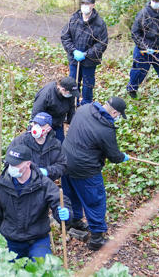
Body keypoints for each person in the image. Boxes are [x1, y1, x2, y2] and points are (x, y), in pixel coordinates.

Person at [61, 96, 130, 251]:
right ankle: (97, 239)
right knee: (95, 201)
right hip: (85, 169)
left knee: (71, 193)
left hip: (64, 161)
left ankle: (74, 221)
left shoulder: (85, 108)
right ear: (114, 113)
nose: (118, 118)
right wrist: (122, 157)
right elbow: (114, 156)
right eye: (118, 115)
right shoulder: (106, 129)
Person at [0, 145, 71, 260]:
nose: (12, 168)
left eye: (16, 165)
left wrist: (64, 211)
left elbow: (59, 200)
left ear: (28, 164)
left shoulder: (43, 183)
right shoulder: (1, 185)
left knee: (42, 268)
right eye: (10, 164)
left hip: (37, 239)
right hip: (10, 239)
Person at [61, 0, 109, 106]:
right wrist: (73, 51)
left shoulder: (99, 23)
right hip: (74, 59)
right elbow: (65, 36)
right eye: (83, 4)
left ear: (93, 5)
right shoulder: (74, 19)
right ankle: (72, 104)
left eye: (87, 4)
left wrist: (87, 53)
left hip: (90, 61)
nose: (85, 6)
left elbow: (102, 43)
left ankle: (86, 105)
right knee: (73, 82)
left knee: (88, 84)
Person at [8, 112, 66, 182]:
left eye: (40, 125)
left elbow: (62, 166)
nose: (36, 127)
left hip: (45, 184)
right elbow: (8, 160)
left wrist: (46, 172)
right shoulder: (20, 141)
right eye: (35, 124)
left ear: (49, 129)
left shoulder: (55, 145)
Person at [30, 76, 79, 142]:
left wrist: (73, 123)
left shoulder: (70, 94)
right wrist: (38, 128)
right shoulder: (46, 94)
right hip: (45, 125)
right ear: (63, 89)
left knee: (60, 144)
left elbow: (71, 108)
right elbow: (36, 113)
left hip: (58, 123)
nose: (72, 95)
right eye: (70, 93)